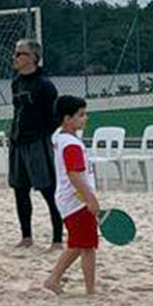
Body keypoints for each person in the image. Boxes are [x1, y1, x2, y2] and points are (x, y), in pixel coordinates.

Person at [8, 39, 63, 250]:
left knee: (48, 190)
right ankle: (26, 237)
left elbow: (54, 116)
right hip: (18, 141)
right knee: (20, 189)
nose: (15, 58)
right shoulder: (16, 82)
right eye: (15, 53)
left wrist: (45, 137)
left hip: (38, 142)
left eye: (19, 54)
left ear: (33, 58)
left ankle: (57, 239)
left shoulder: (45, 85)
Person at [44, 96, 100, 295]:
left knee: (80, 244)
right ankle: (88, 288)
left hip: (69, 198)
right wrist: (90, 198)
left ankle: (56, 279)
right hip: (77, 200)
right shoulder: (71, 145)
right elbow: (74, 174)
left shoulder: (59, 137)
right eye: (81, 115)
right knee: (85, 246)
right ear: (67, 119)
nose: (85, 118)